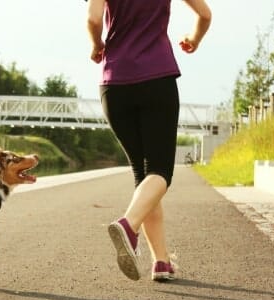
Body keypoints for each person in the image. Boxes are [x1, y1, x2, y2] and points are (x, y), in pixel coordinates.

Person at [86, 0, 211, 281]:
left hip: (114, 83)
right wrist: (194, 40)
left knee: (144, 175)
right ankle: (128, 226)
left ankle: (162, 261)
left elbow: (94, 20)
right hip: (157, 78)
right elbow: (204, 14)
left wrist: (96, 45)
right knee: (160, 171)